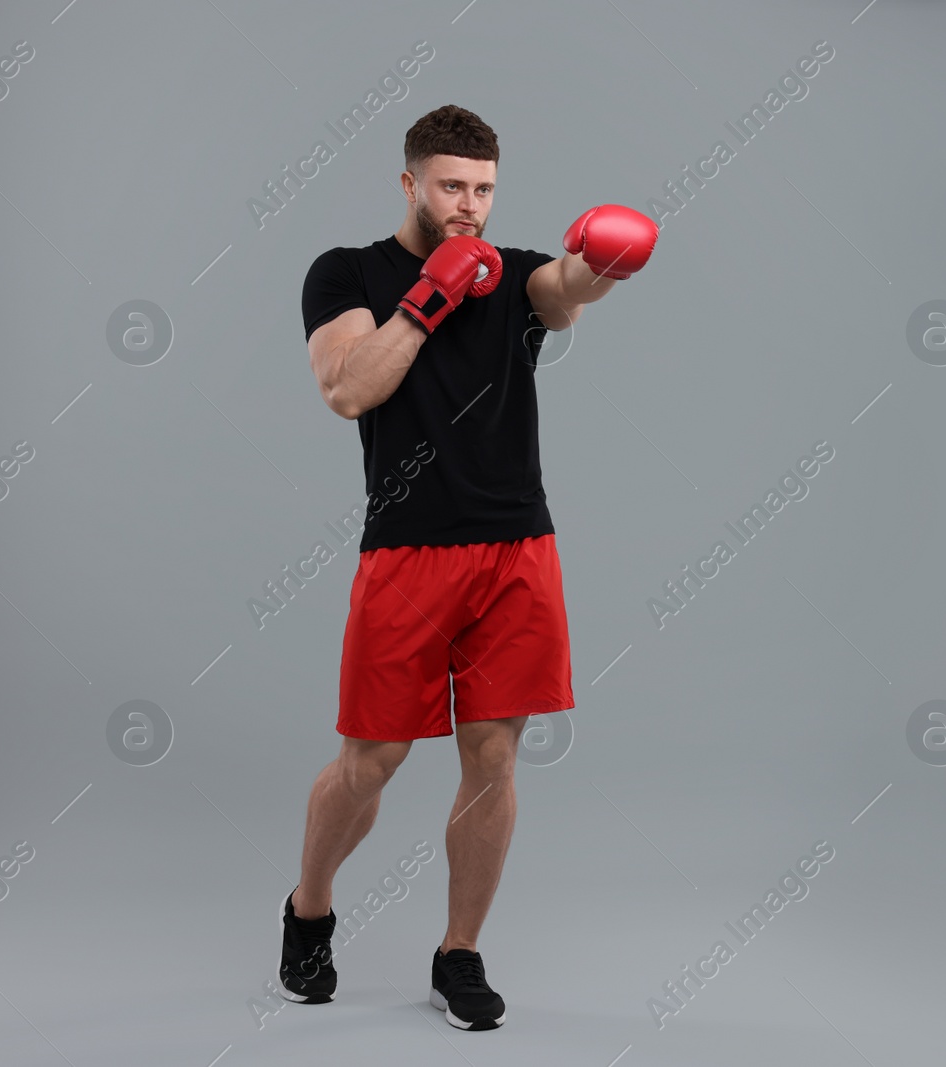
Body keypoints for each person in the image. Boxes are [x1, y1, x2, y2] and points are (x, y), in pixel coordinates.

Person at [278, 104, 657, 1031]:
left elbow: (563, 293)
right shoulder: (348, 273)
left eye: (484, 190)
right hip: (407, 549)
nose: (469, 208)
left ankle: (459, 954)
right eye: (451, 187)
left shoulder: (514, 272)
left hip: (516, 547)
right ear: (410, 183)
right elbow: (347, 388)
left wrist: (604, 264)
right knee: (372, 761)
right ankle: (309, 909)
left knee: (494, 757)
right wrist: (426, 299)